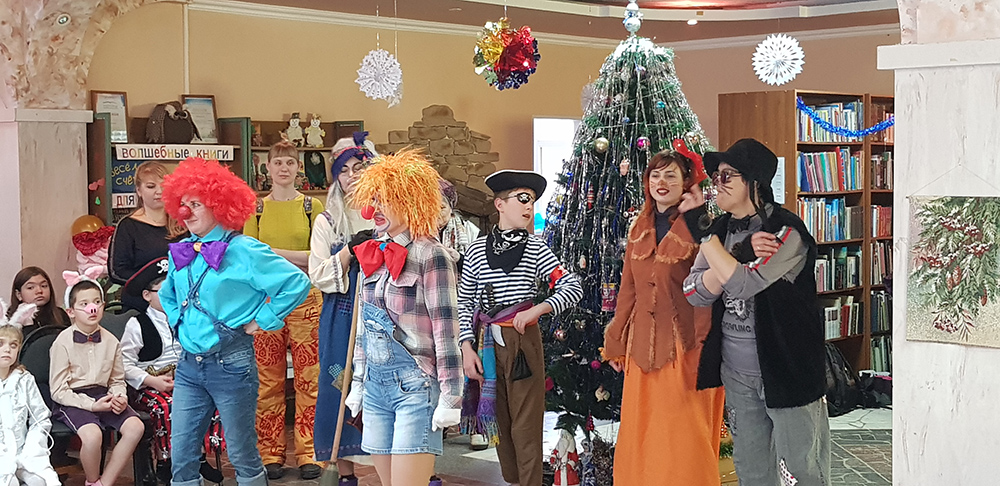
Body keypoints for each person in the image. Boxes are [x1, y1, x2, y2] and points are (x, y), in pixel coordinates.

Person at [682, 138, 831, 486]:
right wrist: (736, 253)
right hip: (737, 372)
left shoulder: (785, 231)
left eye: (727, 175)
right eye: (715, 176)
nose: (717, 183)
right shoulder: (721, 231)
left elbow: (743, 285)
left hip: (787, 370)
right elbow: (693, 293)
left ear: (754, 182)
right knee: (751, 469)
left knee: (802, 469)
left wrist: (707, 240)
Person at [158, 157, 311, 486]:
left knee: (241, 453)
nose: (186, 212)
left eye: (196, 205)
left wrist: (262, 320)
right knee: (181, 456)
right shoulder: (181, 251)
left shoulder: (245, 250)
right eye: (183, 204)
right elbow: (167, 294)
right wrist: (179, 322)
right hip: (188, 367)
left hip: (232, 364)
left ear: (219, 206)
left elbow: (296, 283)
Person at [601, 150, 725, 485]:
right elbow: (628, 289)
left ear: (686, 183)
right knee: (642, 431)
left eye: (670, 175)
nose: (661, 182)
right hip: (641, 348)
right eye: (655, 175)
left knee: (684, 432)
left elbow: (715, 290)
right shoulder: (638, 228)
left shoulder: (701, 227)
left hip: (687, 347)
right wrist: (615, 342)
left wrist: (706, 349)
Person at [342, 149, 464, 486]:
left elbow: (446, 332)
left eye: (387, 199)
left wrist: (451, 395)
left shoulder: (431, 254)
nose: (376, 208)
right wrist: (357, 383)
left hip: (416, 386)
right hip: (375, 387)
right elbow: (365, 329)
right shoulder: (371, 252)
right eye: (375, 199)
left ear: (411, 201)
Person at [458, 170, 583, 486]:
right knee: (500, 421)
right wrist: (466, 347)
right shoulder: (476, 250)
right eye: (523, 199)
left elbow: (572, 286)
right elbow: (465, 302)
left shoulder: (536, 248)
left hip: (523, 342)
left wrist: (538, 309)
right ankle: (514, 480)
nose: (529, 207)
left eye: (533, 201)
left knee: (526, 424)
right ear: (500, 204)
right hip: (487, 343)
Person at [242, 141, 326, 480]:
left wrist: (272, 253)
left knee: (310, 380)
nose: (284, 168)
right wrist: (294, 259)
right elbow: (248, 258)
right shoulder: (255, 209)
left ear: (298, 168)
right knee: (268, 381)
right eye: (278, 162)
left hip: (307, 300)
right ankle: (270, 453)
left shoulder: (312, 206)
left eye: (290, 162)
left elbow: (318, 257)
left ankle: (310, 452)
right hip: (266, 302)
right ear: (268, 167)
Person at [308, 135, 376, 486]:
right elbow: (318, 273)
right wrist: (349, 251)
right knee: (339, 383)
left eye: (358, 168)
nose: (351, 176)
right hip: (343, 315)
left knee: (380, 388)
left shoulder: (385, 214)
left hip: (381, 312)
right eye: (344, 170)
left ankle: (391, 467)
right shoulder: (327, 221)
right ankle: (344, 471)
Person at [118, 258, 224, 484]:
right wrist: (151, 381)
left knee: (210, 399)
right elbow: (123, 364)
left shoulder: (187, 317)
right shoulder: (137, 324)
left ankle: (198, 456)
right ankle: (166, 461)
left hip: (185, 381)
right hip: (149, 387)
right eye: (164, 290)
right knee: (167, 406)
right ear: (147, 295)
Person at [49, 278, 145, 486]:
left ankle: (104, 483)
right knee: (92, 435)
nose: (92, 308)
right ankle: (92, 480)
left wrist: (119, 396)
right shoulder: (62, 343)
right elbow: (58, 390)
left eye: (97, 302)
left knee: (135, 427)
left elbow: (117, 379)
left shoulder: (111, 340)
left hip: (104, 395)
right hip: (73, 399)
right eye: (84, 304)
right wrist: (91, 405)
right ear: (71, 312)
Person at [108, 161, 186, 309]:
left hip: (179, 301)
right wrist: (151, 285)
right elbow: (116, 271)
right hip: (140, 305)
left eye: (163, 186)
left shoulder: (182, 224)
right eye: (151, 186)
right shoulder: (127, 226)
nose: (159, 191)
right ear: (138, 190)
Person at [0, 300, 61, 486]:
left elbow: (40, 418)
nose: (7, 349)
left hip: (24, 451)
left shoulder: (24, 379)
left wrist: (31, 448)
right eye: (1, 343)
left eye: (13, 345)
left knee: (40, 481)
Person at [8, 267, 70, 334]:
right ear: (19, 295)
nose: (39, 291)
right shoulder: (9, 318)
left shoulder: (60, 314)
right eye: (30, 287)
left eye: (44, 286)